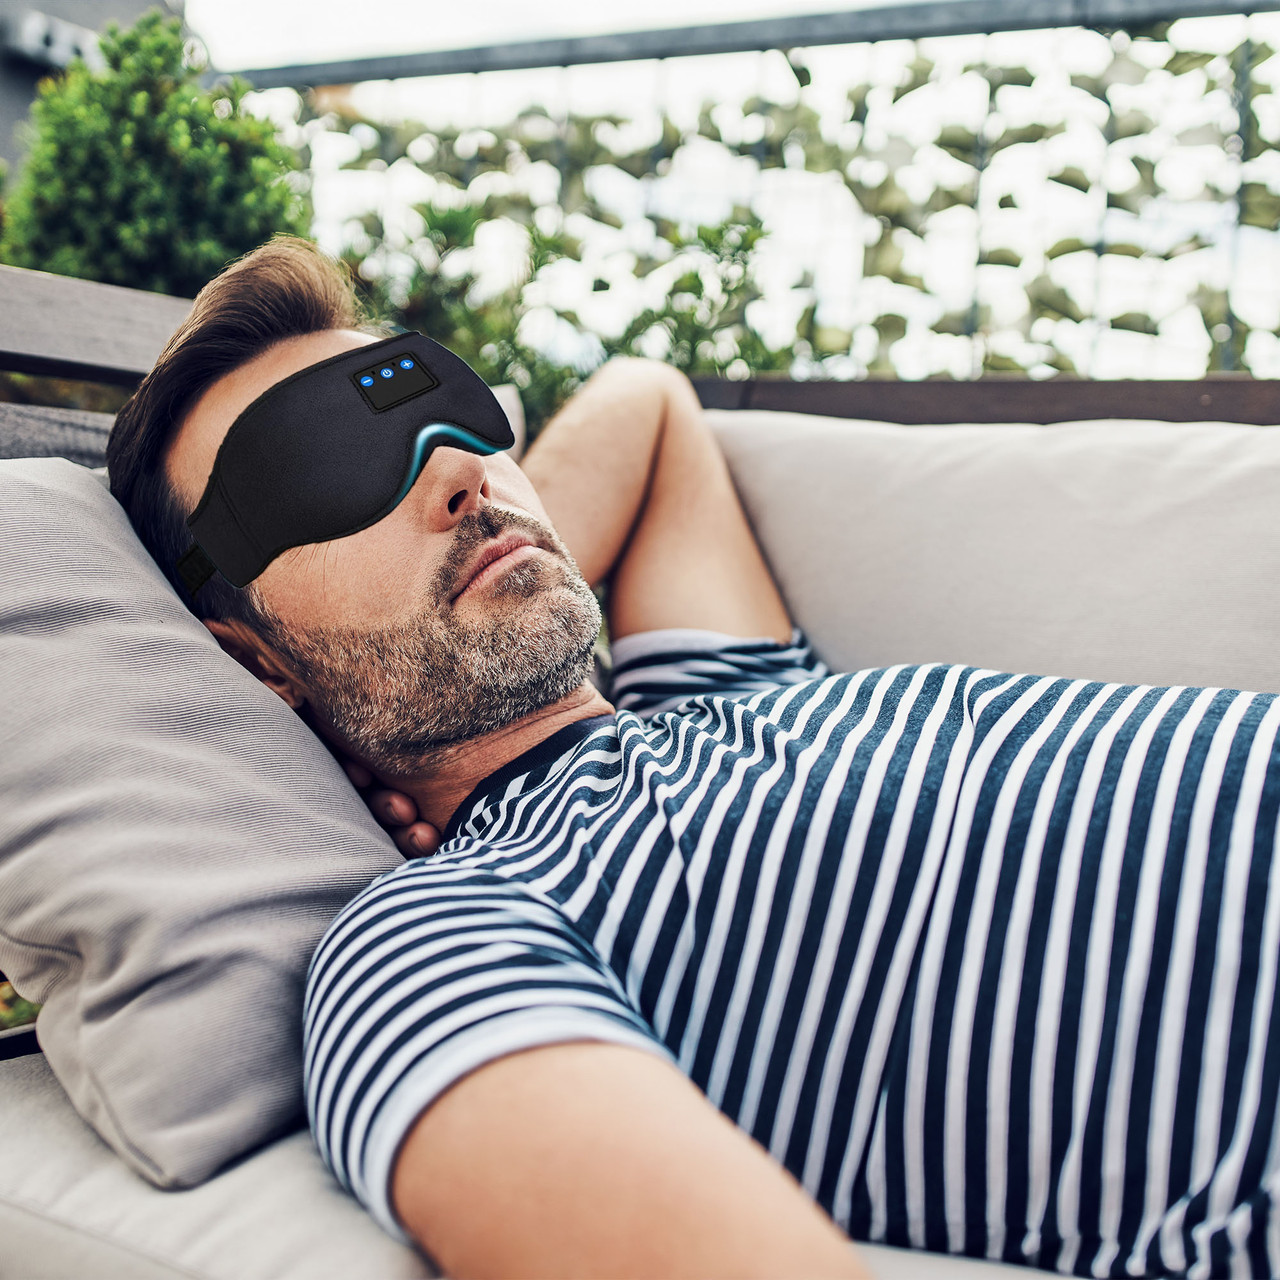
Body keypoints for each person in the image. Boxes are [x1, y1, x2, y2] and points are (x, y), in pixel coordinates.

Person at [107, 234, 1280, 1280]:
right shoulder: (431, 933)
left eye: (438, 406)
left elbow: (649, 401)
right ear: (255, 659)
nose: (461, 471)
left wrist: (452, 605)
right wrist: (356, 713)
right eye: (318, 467)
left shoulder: (718, 696)